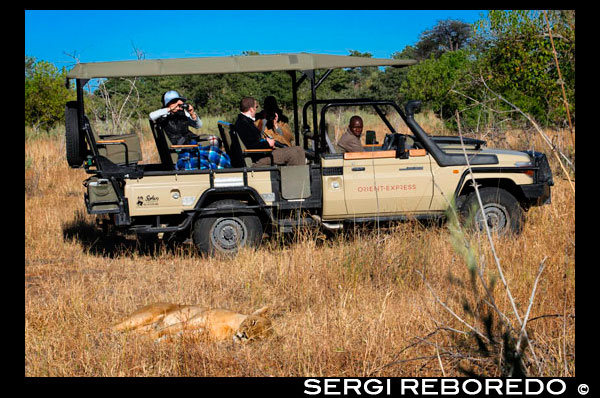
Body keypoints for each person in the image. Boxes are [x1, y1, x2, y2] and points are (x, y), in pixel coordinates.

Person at [150, 90, 230, 170]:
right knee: (213, 145)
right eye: (174, 102)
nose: (178, 105)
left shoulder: (182, 113)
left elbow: (198, 125)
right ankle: (212, 167)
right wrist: (169, 109)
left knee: (215, 139)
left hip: (190, 140)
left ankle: (211, 166)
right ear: (168, 104)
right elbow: (151, 116)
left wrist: (192, 113)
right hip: (180, 145)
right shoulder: (163, 115)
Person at [234, 97, 305, 166]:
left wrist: (274, 127)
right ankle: (298, 178)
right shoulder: (244, 124)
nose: (256, 109)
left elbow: (252, 142)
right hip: (259, 158)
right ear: (251, 109)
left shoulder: (244, 121)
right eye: (256, 107)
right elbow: (252, 146)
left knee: (298, 149)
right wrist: (268, 143)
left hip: (260, 154)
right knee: (295, 152)